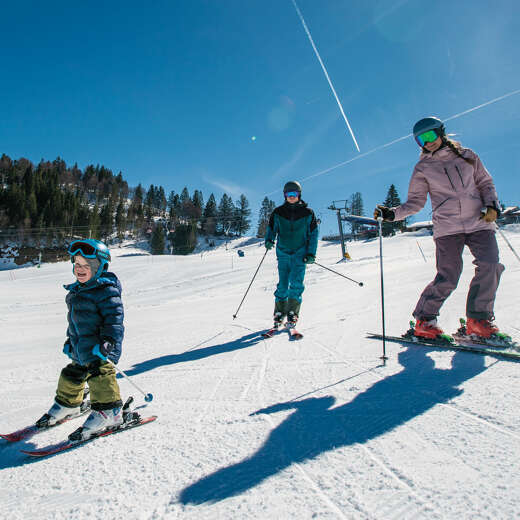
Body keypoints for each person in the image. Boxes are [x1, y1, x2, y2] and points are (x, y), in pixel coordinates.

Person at [374, 116, 504, 340]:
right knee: (448, 275)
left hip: (479, 222)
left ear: (441, 132)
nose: (427, 142)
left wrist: (492, 205)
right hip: (448, 227)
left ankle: (478, 320)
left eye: (430, 136)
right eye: (421, 140)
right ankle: (425, 321)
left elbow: (485, 182)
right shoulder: (423, 168)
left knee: (490, 265)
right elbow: (415, 202)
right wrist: (392, 214)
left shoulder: (468, 156)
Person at [36, 239, 125, 440]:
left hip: (101, 349)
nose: (81, 269)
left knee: (100, 375)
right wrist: (70, 341)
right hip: (81, 347)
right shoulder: (75, 292)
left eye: (88, 265)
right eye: (77, 264)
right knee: (71, 374)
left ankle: (109, 411)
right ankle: (68, 404)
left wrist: (109, 341)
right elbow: (75, 324)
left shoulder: (106, 290)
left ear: (101, 267)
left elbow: (115, 320)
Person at [265, 181, 318, 328]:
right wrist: (269, 239)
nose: (292, 197)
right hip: (283, 253)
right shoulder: (278, 212)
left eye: (294, 194)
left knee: (296, 284)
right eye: (289, 194)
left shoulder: (308, 213)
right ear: (285, 195)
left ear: (299, 195)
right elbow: (271, 228)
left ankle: (292, 312)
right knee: (282, 284)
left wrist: (311, 253)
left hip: (300, 254)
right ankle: (279, 313)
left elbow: (313, 234)